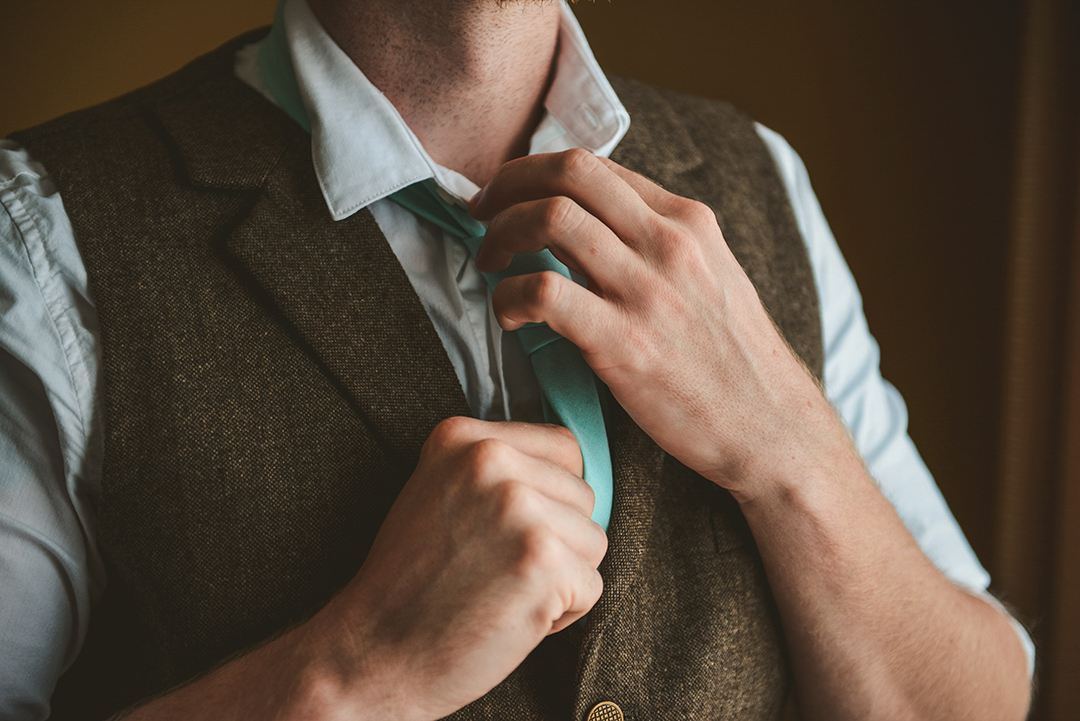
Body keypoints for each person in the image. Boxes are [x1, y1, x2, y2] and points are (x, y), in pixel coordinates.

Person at [0, 0, 1034, 719]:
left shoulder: (759, 181)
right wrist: (349, 677)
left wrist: (791, 451)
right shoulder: (42, 239)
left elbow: (980, 702)